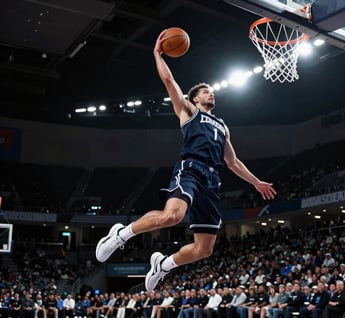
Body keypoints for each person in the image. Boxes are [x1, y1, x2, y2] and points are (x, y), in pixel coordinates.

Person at [95, 29, 277, 292]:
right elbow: (169, 81)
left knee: (204, 249)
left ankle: (164, 265)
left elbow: (233, 162)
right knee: (171, 217)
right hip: (190, 170)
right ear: (195, 99)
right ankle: (120, 235)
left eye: (212, 91)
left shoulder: (223, 126)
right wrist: (158, 55)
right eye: (206, 92)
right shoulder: (189, 111)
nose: (211, 94)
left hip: (212, 181)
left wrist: (256, 182)